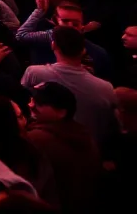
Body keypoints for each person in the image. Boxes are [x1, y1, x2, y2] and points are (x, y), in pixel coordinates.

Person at [20, 25, 118, 146]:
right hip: (89, 151)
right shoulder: (106, 88)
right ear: (83, 50)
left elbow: (20, 105)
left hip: (43, 147)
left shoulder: (34, 73)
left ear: (53, 45)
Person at [24, 81, 100, 214]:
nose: (30, 105)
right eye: (31, 99)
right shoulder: (83, 134)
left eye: (39, 103)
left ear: (61, 112)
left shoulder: (36, 139)